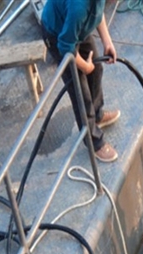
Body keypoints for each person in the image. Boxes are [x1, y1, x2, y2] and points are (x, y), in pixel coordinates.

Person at [41, 0, 120, 163]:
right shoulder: (79, 8)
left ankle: (97, 114)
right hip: (58, 34)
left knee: (97, 69)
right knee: (80, 90)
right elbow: (65, 46)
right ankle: (94, 141)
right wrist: (85, 67)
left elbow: (98, 11)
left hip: (76, 27)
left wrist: (107, 41)